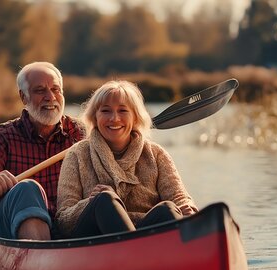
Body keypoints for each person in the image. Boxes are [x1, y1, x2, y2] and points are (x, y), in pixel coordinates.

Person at [55, 80, 197, 238]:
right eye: (106, 111)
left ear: (135, 117)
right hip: (96, 239)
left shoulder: (157, 154)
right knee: (105, 198)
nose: (114, 118)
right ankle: (133, 253)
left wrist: (188, 210)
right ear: (94, 117)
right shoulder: (77, 154)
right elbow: (63, 220)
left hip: (144, 235)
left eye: (123, 111)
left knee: (168, 209)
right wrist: (92, 202)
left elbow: (179, 198)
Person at [0, 62, 83, 240]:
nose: (50, 97)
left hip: (67, 226)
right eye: (40, 90)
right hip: (14, 228)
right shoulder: (4, 136)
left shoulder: (79, 132)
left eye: (55, 89)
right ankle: (42, 257)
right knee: (27, 188)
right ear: (24, 97)